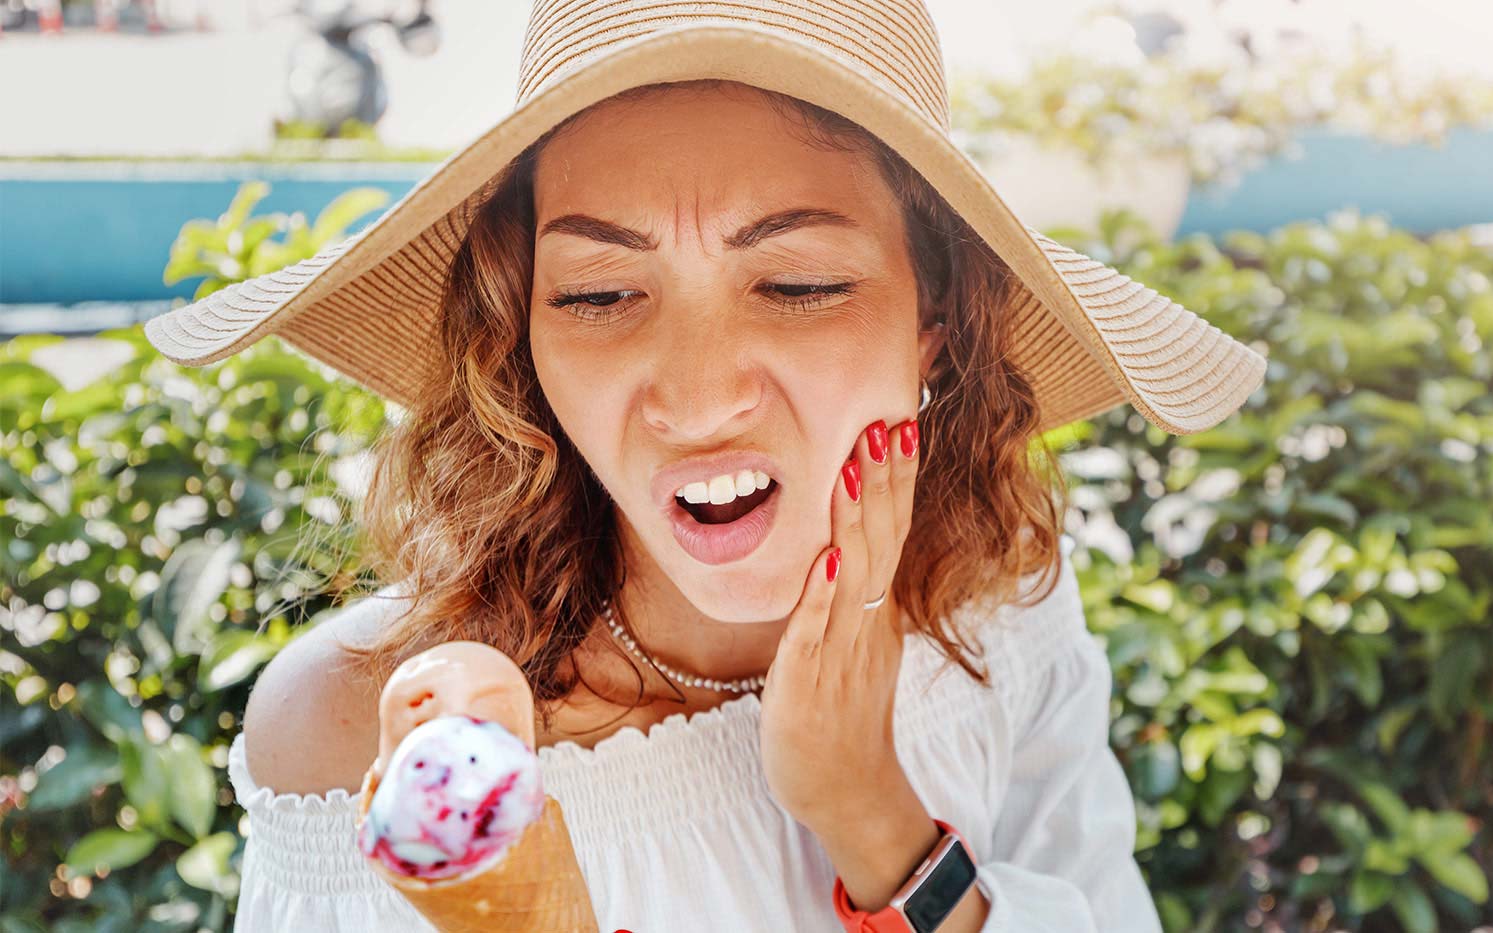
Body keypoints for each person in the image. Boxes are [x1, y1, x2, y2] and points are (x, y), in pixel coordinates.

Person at [140, 1, 1265, 930]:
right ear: (522, 336)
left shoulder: (995, 593)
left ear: (938, 323)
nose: (695, 397)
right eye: (597, 294)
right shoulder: (365, 744)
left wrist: (877, 820)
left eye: (799, 284)